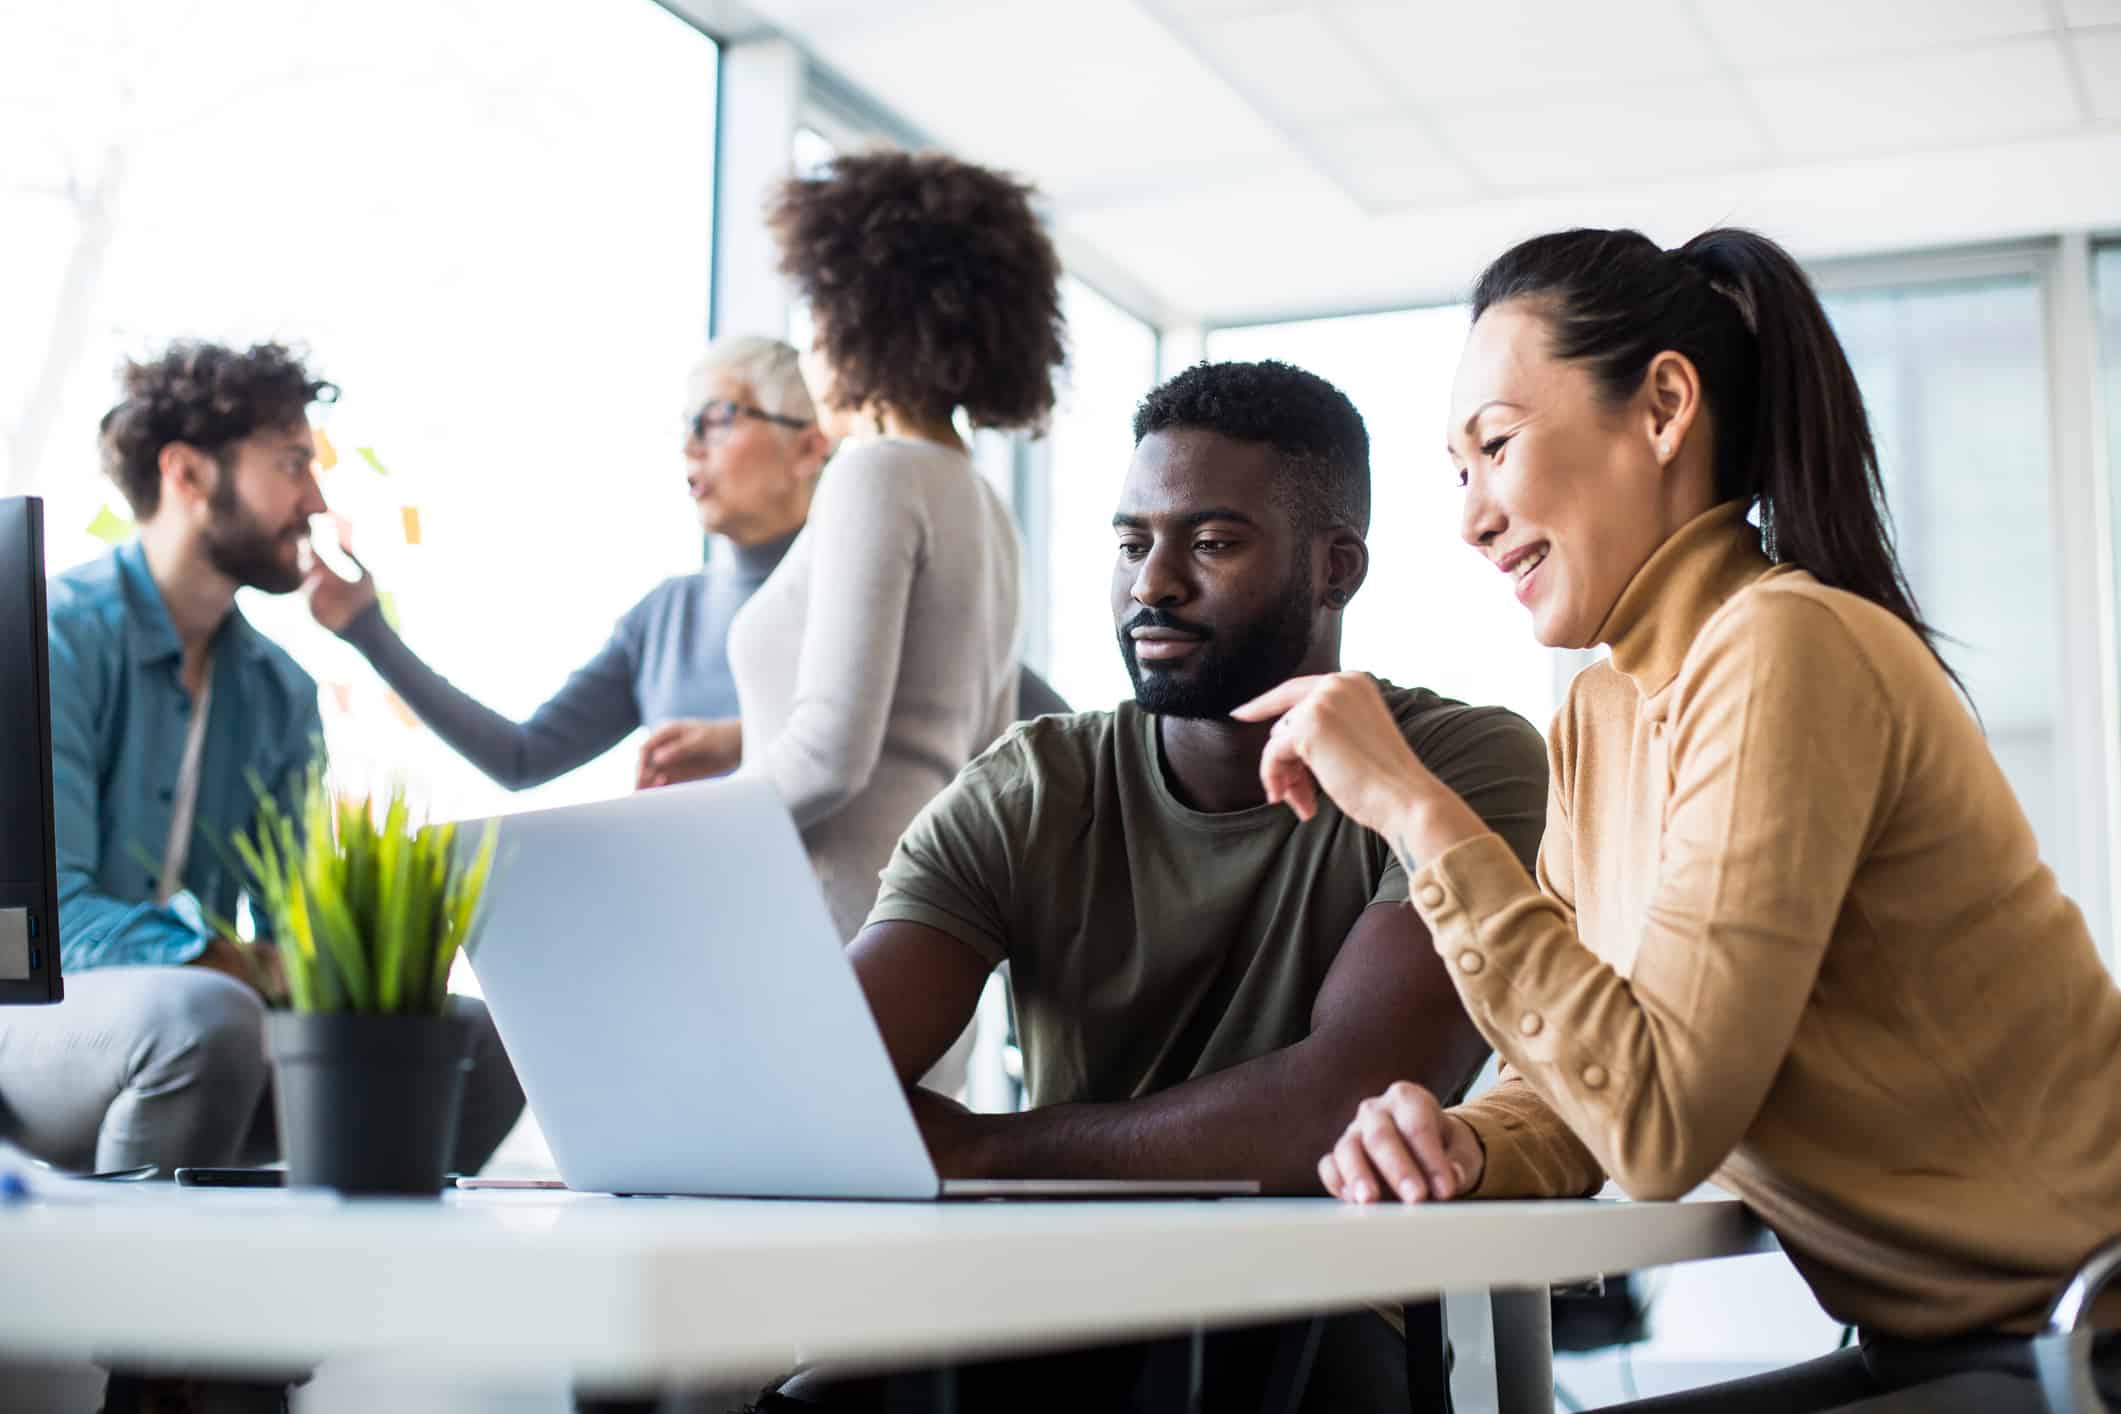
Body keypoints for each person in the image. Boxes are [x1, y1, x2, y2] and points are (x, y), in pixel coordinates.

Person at [1240, 228, 2121, 1409]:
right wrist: (1469, 1139)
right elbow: (1578, 1083)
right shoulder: (1603, 715)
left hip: (2078, 1342)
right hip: (1961, 1346)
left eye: (1497, 443)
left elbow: (1657, 1124)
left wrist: (1412, 802)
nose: (1473, 517)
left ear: (1662, 407)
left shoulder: (1783, 644)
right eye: (1459, 471)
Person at [770, 361, 1548, 1411]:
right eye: (1133, 543)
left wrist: (988, 1150)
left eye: (1212, 543)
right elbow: (835, 1090)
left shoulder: (1455, 763)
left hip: (1320, 1308)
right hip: (1062, 1299)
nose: (1153, 584)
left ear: (1337, 567)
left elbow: (1342, 1098)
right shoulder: (1033, 785)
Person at [0, 340, 524, 1183]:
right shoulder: (51, 637)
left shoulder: (277, 690)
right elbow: (46, 925)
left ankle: (346, 1301)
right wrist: (232, 962)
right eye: (290, 465)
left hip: (211, 1029)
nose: (314, 499)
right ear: (187, 473)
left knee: (474, 1048)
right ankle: (132, 1302)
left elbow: (296, 933)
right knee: (205, 1016)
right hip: (35, 1023)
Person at [638, 151, 1064, 948]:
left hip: (818, 931)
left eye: (818, 316)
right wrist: (741, 738)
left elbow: (830, 758)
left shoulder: (875, 474)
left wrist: (663, 844)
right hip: (920, 935)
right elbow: (946, 740)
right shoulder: (980, 504)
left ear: (861, 320)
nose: (809, 347)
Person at [302, 336, 831, 790]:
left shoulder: (860, 592)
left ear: (809, 448)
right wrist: (366, 630)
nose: (691, 444)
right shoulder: (664, 618)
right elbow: (523, 757)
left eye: (720, 418)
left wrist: (739, 741)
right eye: (687, 423)